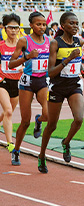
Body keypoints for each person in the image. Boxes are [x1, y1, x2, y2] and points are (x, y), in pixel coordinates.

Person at [37, 11, 84, 173]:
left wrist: (82, 69)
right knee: (52, 125)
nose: (75, 26)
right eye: (71, 23)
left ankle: (66, 142)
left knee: (79, 119)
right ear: (63, 25)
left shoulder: (78, 41)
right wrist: (68, 59)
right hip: (57, 87)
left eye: (76, 23)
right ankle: (42, 155)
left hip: (73, 85)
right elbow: (50, 72)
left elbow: (77, 61)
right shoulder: (55, 43)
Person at [9, 11, 50, 166]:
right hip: (27, 82)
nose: (41, 27)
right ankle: (16, 150)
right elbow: (11, 64)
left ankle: (39, 120)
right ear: (31, 25)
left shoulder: (49, 41)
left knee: (48, 114)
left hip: (43, 81)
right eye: (38, 24)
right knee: (25, 121)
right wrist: (27, 57)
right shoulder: (23, 41)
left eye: (44, 24)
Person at [0, 13, 23, 154]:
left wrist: (23, 68)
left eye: (16, 28)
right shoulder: (1, 46)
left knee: (7, 113)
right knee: (8, 111)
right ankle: (10, 144)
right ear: (5, 28)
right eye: (10, 28)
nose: (13, 31)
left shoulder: (23, 46)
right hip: (3, 82)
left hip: (18, 83)